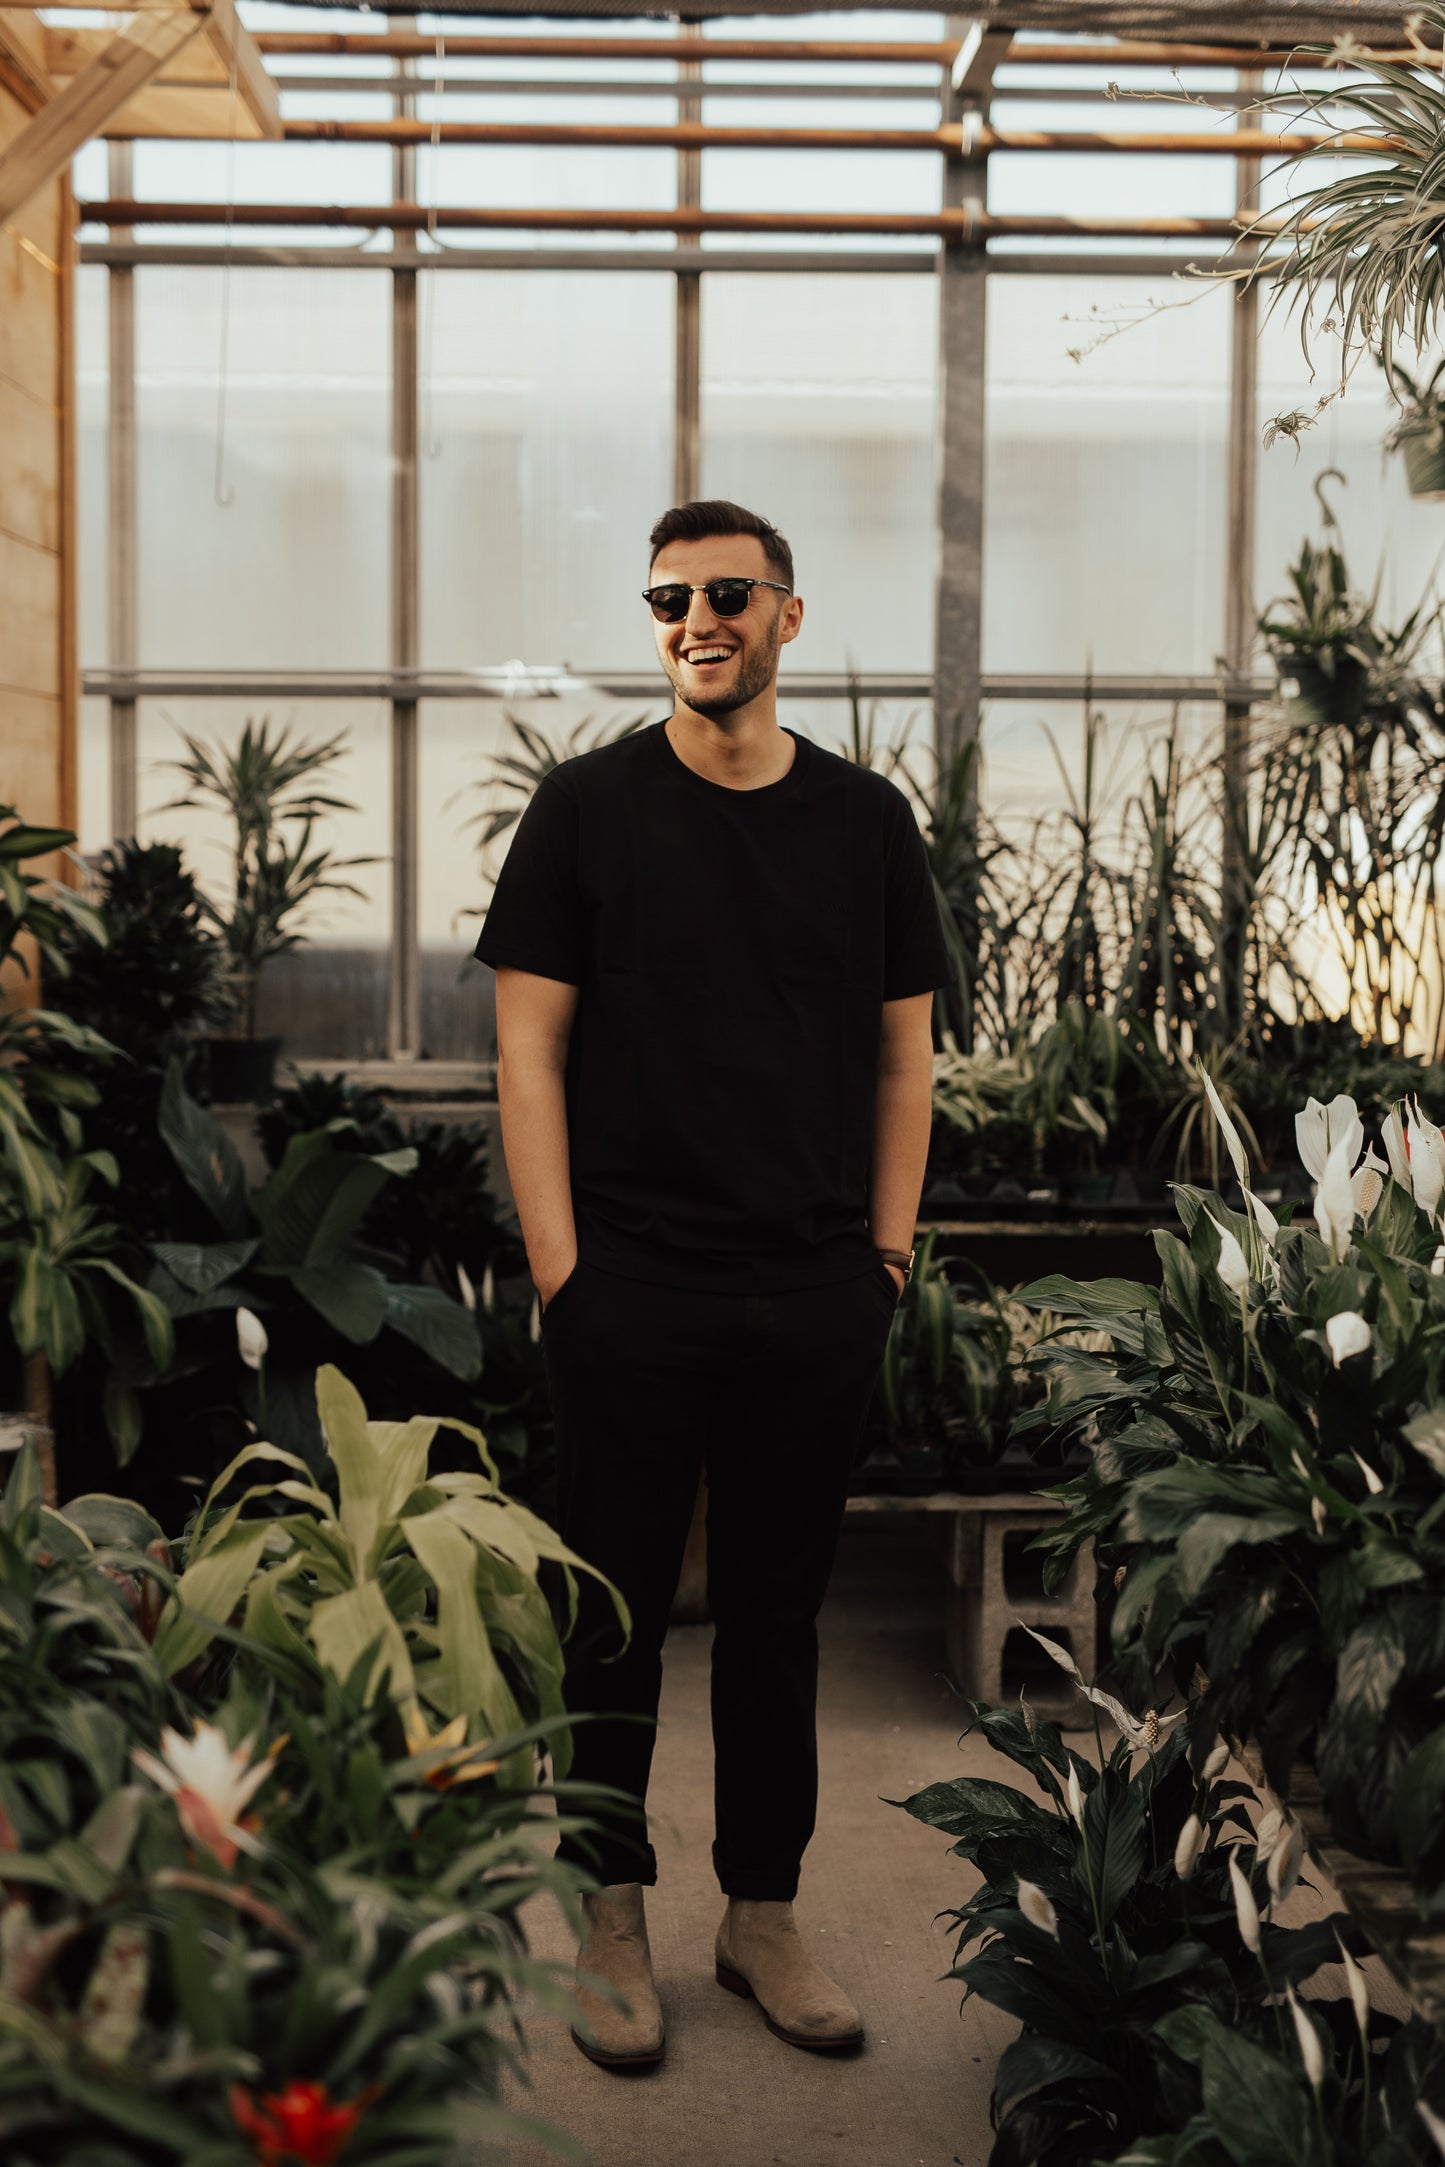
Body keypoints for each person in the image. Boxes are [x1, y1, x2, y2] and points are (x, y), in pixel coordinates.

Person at [472, 499, 952, 2069]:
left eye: (727, 593)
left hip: (812, 1288)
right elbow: (526, 1049)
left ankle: (760, 1917)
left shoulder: (865, 824)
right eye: (670, 596)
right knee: (607, 1619)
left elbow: (902, 1054)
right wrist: (563, 1272)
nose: (696, 619)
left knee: (774, 1618)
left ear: (786, 618)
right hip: (630, 1287)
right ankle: (608, 1907)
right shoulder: (586, 812)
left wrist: (881, 1259)